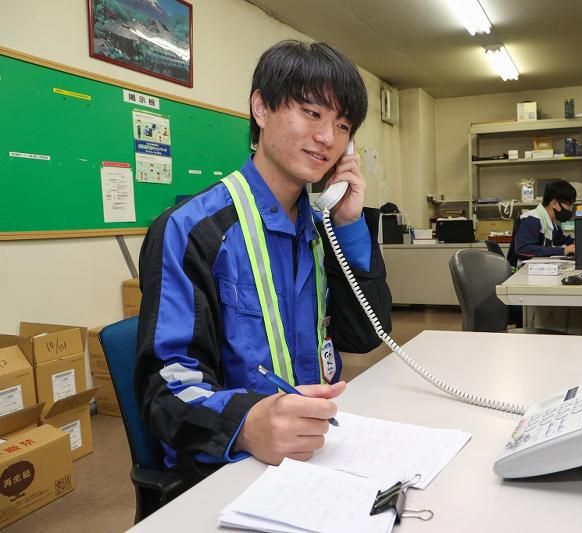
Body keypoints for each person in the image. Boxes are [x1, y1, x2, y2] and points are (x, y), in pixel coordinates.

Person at [134, 40, 392, 487]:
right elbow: (166, 388)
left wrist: (348, 225)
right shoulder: (192, 230)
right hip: (227, 463)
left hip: (313, 449)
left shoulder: (319, 226)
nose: (328, 138)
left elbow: (364, 334)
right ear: (261, 107)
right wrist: (247, 422)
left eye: (343, 125)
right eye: (312, 113)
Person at [514, 179, 576, 260]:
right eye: (569, 205)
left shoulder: (551, 224)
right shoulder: (532, 219)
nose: (570, 209)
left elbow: (563, 241)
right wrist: (562, 251)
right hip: (522, 270)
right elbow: (524, 248)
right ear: (554, 203)